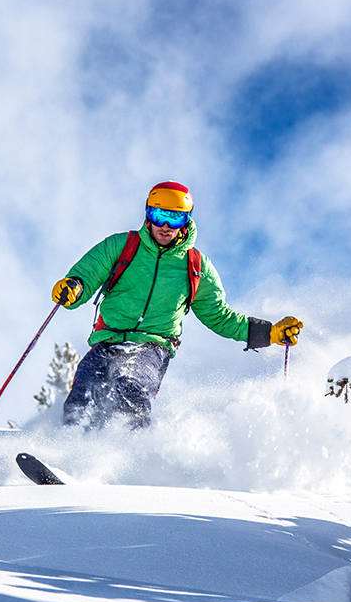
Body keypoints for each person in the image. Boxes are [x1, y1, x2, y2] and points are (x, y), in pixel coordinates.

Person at [51, 181, 302, 428]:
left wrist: (269, 333)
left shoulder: (195, 266)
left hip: (152, 347)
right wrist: (74, 287)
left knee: (129, 387)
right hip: (108, 340)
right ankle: (71, 448)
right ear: (148, 214)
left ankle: (131, 453)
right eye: (159, 215)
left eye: (175, 219)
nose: (165, 226)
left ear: (186, 221)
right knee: (84, 390)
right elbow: (87, 275)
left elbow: (219, 316)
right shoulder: (123, 246)